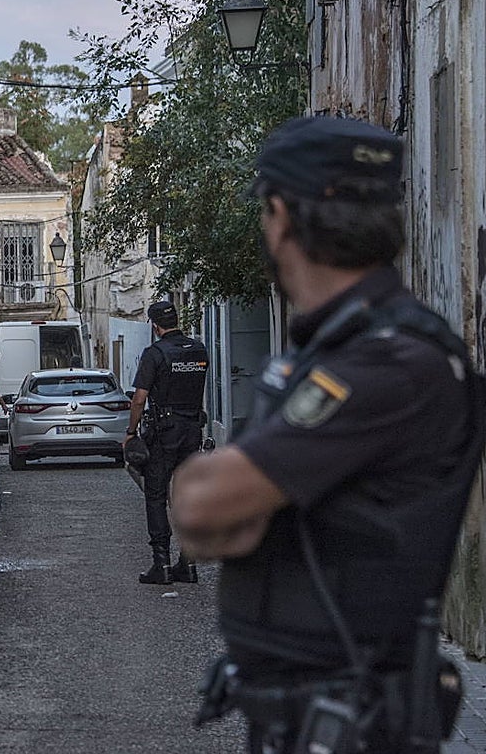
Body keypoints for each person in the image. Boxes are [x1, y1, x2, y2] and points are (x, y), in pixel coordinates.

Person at [172, 116, 486, 753]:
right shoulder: (336, 350)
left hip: (355, 716)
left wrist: (235, 493)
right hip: (305, 711)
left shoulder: (389, 362)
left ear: (281, 216)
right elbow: (210, 532)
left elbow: (202, 506)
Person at [123, 300, 209, 585]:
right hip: (192, 429)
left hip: (165, 431)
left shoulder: (155, 353)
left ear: (155, 325)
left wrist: (131, 432)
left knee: (156, 496)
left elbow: (139, 398)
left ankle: (162, 565)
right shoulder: (198, 349)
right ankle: (188, 562)